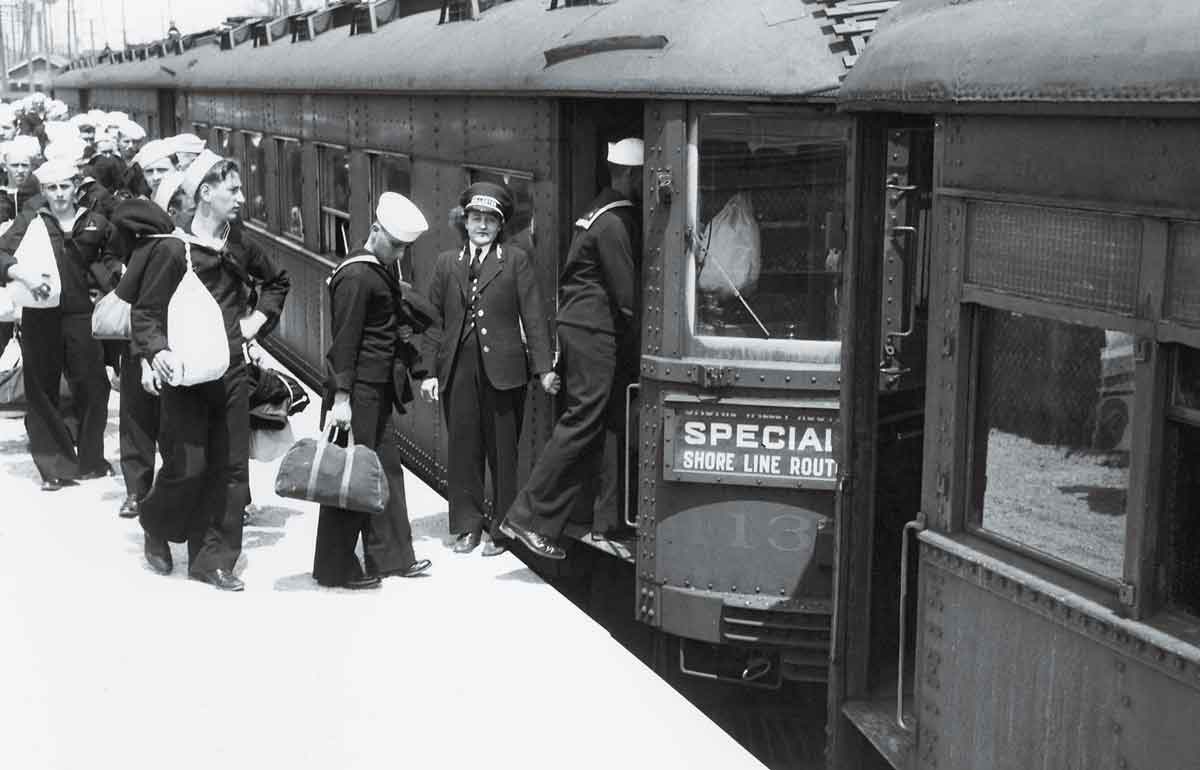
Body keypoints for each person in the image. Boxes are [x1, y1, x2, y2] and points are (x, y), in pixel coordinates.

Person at [132, 151, 289, 590]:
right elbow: (145, 314)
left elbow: (278, 281)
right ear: (205, 193)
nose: (242, 197)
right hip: (186, 374)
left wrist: (258, 321)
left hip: (232, 371)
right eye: (233, 189)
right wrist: (156, 351)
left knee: (231, 467)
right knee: (187, 466)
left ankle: (212, 559)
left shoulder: (237, 244)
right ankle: (157, 524)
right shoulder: (171, 250)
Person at [500, 138, 643, 558]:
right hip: (594, 334)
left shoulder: (598, 211)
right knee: (582, 423)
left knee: (611, 422)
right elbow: (628, 298)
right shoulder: (616, 223)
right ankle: (525, 517)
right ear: (633, 175)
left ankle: (607, 523)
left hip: (587, 330)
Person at [419, 182, 554, 556]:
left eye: (490, 220)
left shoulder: (515, 260)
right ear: (464, 222)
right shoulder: (448, 263)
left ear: (500, 225)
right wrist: (430, 371)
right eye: (475, 218)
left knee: (503, 452)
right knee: (463, 448)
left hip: (505, 371)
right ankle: (467, 526)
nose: (481, 225)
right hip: (458, 368)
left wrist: (543, 369)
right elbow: (433, 322)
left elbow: (534, 316)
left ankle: (503, 529)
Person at [315, 192, 434, 588]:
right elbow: (344, 342)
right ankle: (335, 568)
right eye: (396, 244)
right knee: (349, 478)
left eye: (405, 247)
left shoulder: (378, 271)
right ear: (375, 230)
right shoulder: (357, 275)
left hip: (375, 392)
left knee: (384, 473)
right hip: (359, 394)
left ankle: (393, 557)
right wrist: (343, 398)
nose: (399, 253)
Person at [0, 159, 114, 491]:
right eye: (52, 188)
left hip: (82, 315)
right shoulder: (32, 221)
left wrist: (109, 282)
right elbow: (2, 253)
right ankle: (54, 466)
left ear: (77, 188)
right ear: (44, 191)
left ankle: (92, 459)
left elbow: (112, 259)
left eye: (65, 186)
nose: (60, 194)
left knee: (94, 386)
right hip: (40, 314)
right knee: (42, 389)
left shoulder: (96, 222)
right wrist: (22, 274)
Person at [108, 171, 186, 519]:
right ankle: (137, 490)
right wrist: (142, 360)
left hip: (186, 342)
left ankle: (173, 489)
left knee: (179, 424)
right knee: (138, 419)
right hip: (145, 343)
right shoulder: (153, 244)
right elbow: (142, 307)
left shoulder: (209, 243)